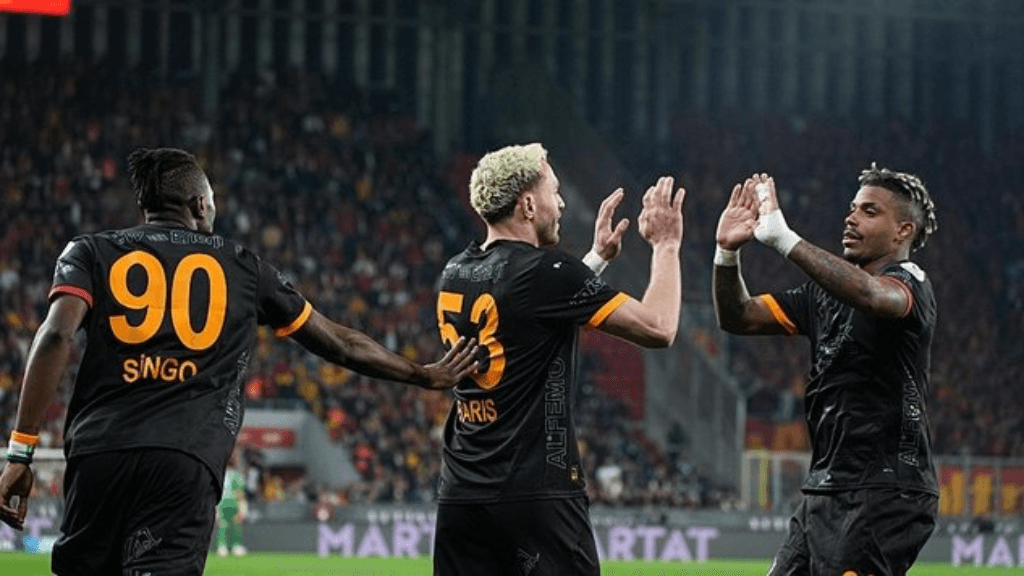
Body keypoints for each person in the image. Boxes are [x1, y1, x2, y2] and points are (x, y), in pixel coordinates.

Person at [0, 147, 477, 575]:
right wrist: (422, 373)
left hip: (99, 453)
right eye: (212, 201)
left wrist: (21, 452)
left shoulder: (90, 251)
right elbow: (339, 343)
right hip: (184, 458)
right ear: (199, 205)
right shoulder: (243, 266)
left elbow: (56, 334)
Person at [432, 143, 685, 576]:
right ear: (528, 205)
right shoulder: (547, 270)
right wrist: (666, 245)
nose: (562, 202)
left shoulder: (455, 271)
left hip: (461, 495)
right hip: (535, 496)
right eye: (554, 190)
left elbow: (528, 310)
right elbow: (659, 328)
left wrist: (595, 261)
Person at [712, 166, 939, 576]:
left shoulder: (909, 283)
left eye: (869, 211)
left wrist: (785, 240)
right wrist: (727, 254)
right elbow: (738, 316)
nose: (851, 218)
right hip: (826, 489)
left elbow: (872, 295)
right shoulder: (821, 296)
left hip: (886, 491)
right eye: (852, 208)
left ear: (903, 231)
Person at [216, 447, 247, 557]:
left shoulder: (220, 474)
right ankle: (236, 546)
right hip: (233, 503)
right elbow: (239, 494)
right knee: (236, 525)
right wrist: (242, 509)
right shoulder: (235, 475)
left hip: (221, 503)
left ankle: (222, 547)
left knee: (222, 525)